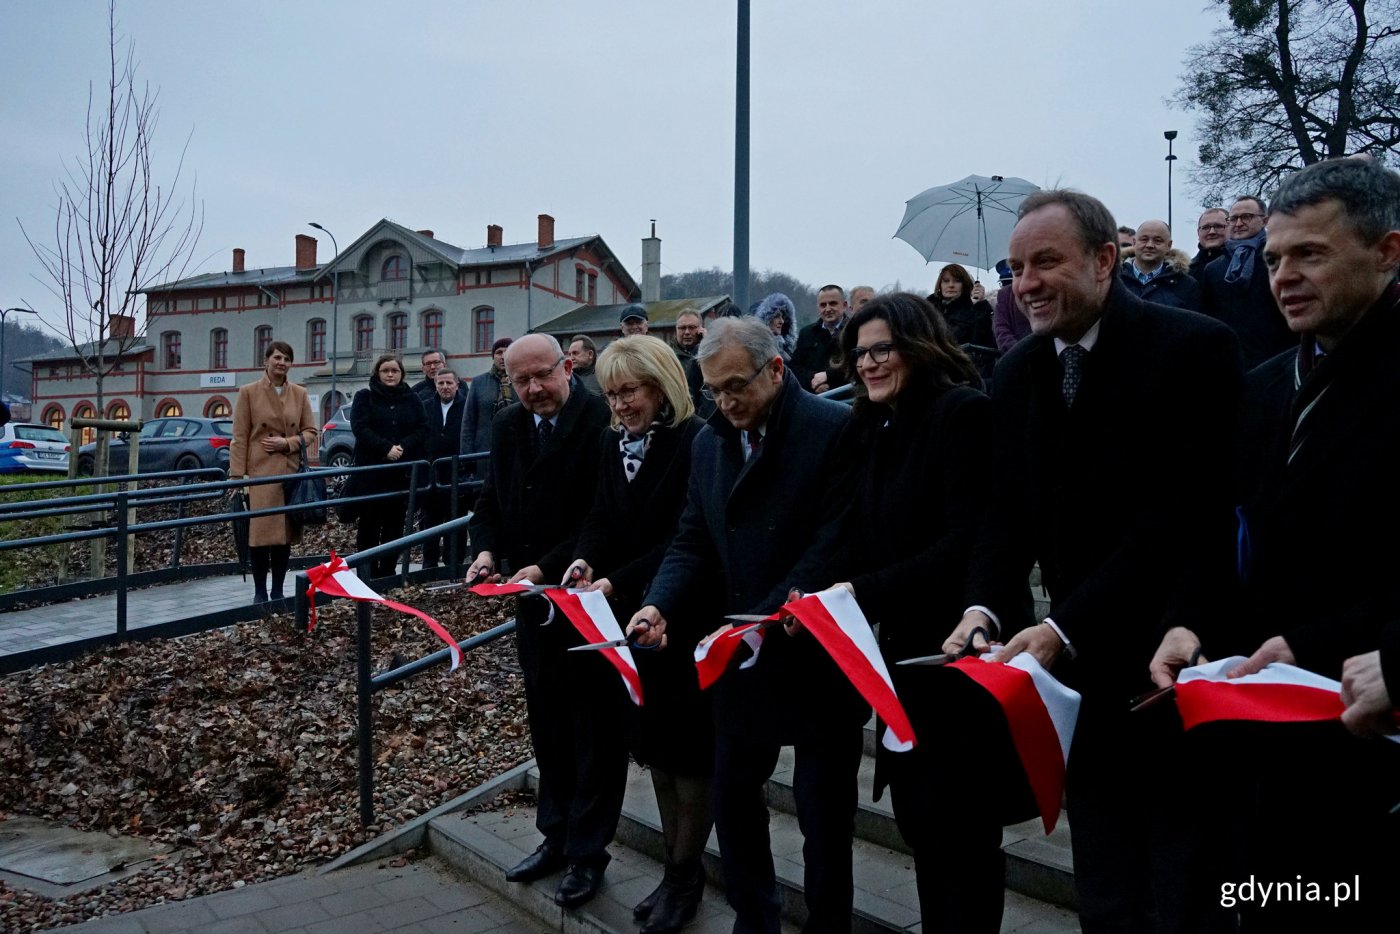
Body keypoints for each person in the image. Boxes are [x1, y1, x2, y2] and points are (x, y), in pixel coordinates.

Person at [960, 189, 1241, 932]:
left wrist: (1063, 627)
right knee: (1106, 888)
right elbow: (1005, 514)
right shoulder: (1018, 372)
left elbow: (1176, 519)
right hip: (1077, 681)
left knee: (1185, 890)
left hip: (1170, 659)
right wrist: (984, 605)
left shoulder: (1193, 348)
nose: (1027, 284)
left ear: (1105, 260)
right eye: (1017, 268)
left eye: (1046, 261)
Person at [1150, 157, 1400, 932]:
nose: (1282, 277)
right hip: (1270, 753)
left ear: (1388, 251)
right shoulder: (1262, 387)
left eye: (1310, 254)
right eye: (1272, 260)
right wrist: (1190, 617)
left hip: (1373, 749)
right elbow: (1228, 529)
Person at [628, 317, 864, 934]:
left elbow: (838, 540)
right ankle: (754, 920)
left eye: (738, 386)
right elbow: (693, 540)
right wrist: (660, 604)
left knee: (822, 818)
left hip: (813, 654)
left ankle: (828, 924)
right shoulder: (709, 443)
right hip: (738, 659)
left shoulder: (833, 429)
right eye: (714, 390)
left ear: (777, 369)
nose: (726, 402)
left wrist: (770, 613)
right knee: (733, 804)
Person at [817, 293, 1020, 932]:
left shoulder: (962, 413)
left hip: (961, 655)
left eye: (882, 349)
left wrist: (862, 590)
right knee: (923, 827)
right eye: (860, 353)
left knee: (962, 834)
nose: (869, 364)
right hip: (906, 656)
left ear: (918, 344)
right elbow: (850, 529)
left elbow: (964, 541)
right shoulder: (875, 423)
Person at [561, 336, 711, 934]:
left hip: (683, 612)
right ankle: (678, 871)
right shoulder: (608, 441)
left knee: (688, 752)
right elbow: (601, 513)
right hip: (632, 620)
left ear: (663, 386)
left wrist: (617, 584)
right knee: (657, 748)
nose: (620, 405)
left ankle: (684, 875)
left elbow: (685, 536)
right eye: (613, 393)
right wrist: (582, 561)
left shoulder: (696, 441)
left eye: (631, 391)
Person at [465, 334, 614, 909]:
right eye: (519, 381)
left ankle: (587, 853)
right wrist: (485, 550)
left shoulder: (600, 418)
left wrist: (544, 567)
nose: (532, 390)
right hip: (533, 608)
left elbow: (601, 517)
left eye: (542, 377)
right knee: (548, 727)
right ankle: (554, 837)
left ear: (567, 366)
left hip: (584, 600)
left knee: (591, 734)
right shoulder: (507, 425)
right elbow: (489, 502)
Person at [229, 340, 318, 606]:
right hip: (260, 473)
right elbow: (240, 436)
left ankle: (278, 590)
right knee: (259, 536)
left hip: (289, 474)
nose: (282, 363)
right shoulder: (248, 392)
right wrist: (236, 475)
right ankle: (259, 592)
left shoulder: (299, 393)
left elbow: (311, 432)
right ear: (266, 361)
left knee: (283, 536)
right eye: (277, 358)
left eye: (287, 359)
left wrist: (288, 443)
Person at [351, 354, 429, 578]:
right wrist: (385, 448)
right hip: (372, 473)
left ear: (401, 373)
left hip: (399, 473)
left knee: (394, 523)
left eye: (394, 370)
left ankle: (387, 570)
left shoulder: (411, 398)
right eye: (385, 370)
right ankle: (366, 571)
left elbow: (423, 428)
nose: (390, 374)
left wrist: (402, 446)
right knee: (369, 524)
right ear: (378, 373)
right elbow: (360, 427)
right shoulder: (365, 397)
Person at [1200, 195, 1295, 368]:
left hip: (1280, 359)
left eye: (1246, 217)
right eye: (1233, 218)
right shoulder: (1214, 269)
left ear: (1264, 221)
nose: (1238, 224)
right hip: (1231, 361)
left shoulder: (1280, 259)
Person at [421, 368, 465, 569]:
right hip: (432, 473)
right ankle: (429, 564)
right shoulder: (426, 407)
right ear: (435, 386)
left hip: (458, 472)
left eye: (449, 383)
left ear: (457, 384)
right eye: (441, 383)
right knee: (430, 521)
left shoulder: (466, 406)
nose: (445, 387)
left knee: (456, 520)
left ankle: (453, 563)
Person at [928, 263, 997, 383]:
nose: (951, 285)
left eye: (956, 281)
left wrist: (980, 306)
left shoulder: (973, 309)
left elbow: (982, 343)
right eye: (946, 281)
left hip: (962, 372)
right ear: (940, 284)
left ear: (964, 285)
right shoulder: (927, 308)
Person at [1118, 220, 1202, 311]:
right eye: (1144, 239)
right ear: (1134, 243)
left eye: (1158, 241)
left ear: (1169, 245)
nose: (1150, 245)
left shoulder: (1187, 285)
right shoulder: (1111, 278)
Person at [460, 337, 514, 457]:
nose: (503, 356)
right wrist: (467, 457)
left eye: (508, 351)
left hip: (516, 450)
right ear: (493, 356)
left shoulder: (521, 381)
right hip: (484, 452)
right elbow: (468, 422)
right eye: (499, 352)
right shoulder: (479, 383)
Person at [792, 284, 851, 393]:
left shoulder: (854, 331)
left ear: (844, 305)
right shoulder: (806, 333)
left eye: (833, 303)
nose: (828, 309)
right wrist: (813, 381)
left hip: (846, 397)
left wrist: (829, 376)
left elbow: (856, 365)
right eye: (823, 305)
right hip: (813, 397)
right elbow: (796, 367)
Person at [1188, 208, 1229, 282]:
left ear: (1231, 228)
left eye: (1218, 226)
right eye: (1205, 227)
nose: (1212, 232)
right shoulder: (1186, 272)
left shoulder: (1242, 265)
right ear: (1198, 232)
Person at [753, 292, 798, 360]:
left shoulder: (789, 350)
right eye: (777, 316)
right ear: (767, 319)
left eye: (783, 317)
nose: (782, 321)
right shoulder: (757, 349)